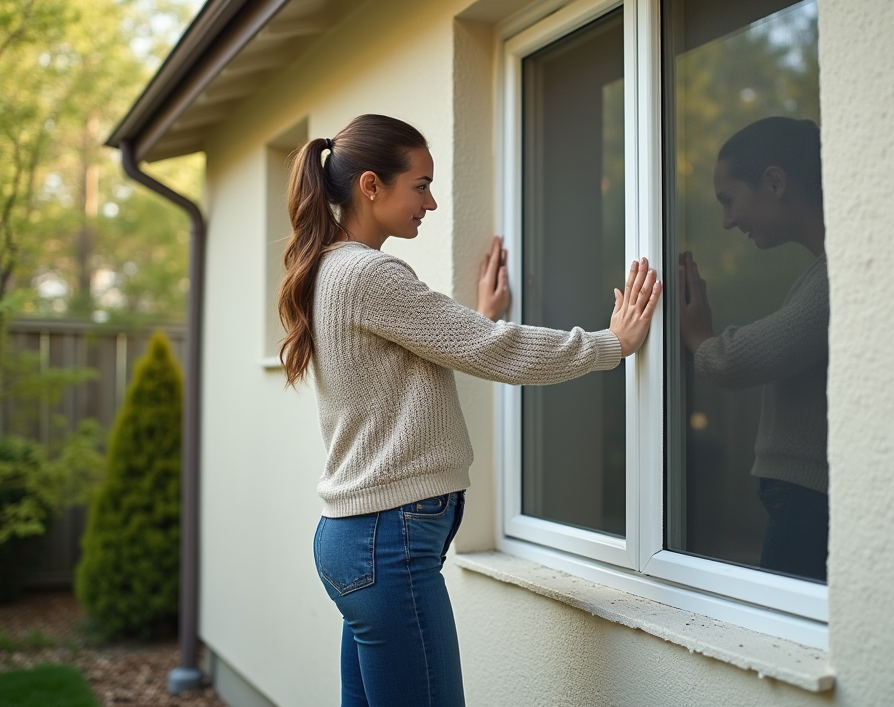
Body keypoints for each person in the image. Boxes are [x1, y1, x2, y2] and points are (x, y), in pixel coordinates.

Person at [276, 114, 662, 707]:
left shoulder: (332, 268)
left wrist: (477, 316)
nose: (431, 203)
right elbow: (492, 350)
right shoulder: (369, 274)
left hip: (358, 540)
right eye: (421, 185)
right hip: (387, 542)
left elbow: (420, 355)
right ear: (372, 186)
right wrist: (611, 345)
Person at [677, 116, 828, 582]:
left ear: (775, 182)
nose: (727, 221)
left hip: (809, 500)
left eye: (729, 200)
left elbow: (738, 360)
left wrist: (699, 338)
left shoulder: (837, 275)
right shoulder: (821, 271)